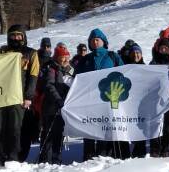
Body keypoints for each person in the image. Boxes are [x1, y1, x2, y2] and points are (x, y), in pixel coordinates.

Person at [76, 28, 125, 159]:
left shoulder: (112, 56)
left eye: (97, 40)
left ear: (104, 41)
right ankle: (88, 156)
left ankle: (104, 155)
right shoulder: (85, 59)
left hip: (107, 99)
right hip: (89, 100)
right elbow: (77, 78)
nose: (95, 42)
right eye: (92, 40)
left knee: (105, 126)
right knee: (89, 126)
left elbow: (124, 73)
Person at [0, 25, 40, 166]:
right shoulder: (2, 51)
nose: (15, 38)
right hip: (1, 96)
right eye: (13, 35)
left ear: (24, 37)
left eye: (19, 35)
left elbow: (33, 76)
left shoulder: (31, 53)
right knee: (0, 128)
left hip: (19, 97)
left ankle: (14, 157)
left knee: (15, 128)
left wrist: (28, 96)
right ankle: (1, 156)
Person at [38, 44, 74, 164]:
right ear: (57, 57)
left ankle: (56, 157)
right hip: (51, 106)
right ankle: (44, 158)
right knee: (48, 133)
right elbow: (49, 86)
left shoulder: (69, 68)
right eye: (62, 57)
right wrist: (58, 99)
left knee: (59, 133)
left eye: (66, 56)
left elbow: (76, 79)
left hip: (63, 106)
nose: (65, 59)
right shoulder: (52, 69)